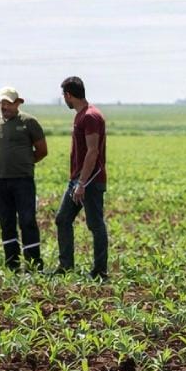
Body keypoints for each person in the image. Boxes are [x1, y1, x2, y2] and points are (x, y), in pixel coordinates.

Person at [54, 76, 109, 279]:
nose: (64, 100)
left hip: (90, 181)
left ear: (69, 95)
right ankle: (66, 267)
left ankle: (100, 272)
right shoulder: (81, 115)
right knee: (62, 219)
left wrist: (82, 183)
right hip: (78, 180)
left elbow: (92, 152)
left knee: (95, 225)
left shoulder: (90, 116)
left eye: (64, 96)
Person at [0, 86, 47, 271]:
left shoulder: (29, 122)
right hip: (0, 180)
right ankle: (12, 264)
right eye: (2, 102)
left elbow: (42, 150)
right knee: (6, 222)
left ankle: (33, 265)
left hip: (23, 180)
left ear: (18, 103)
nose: (4, 106)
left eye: (8, 102)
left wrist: (25, 164)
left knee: (27, 220)